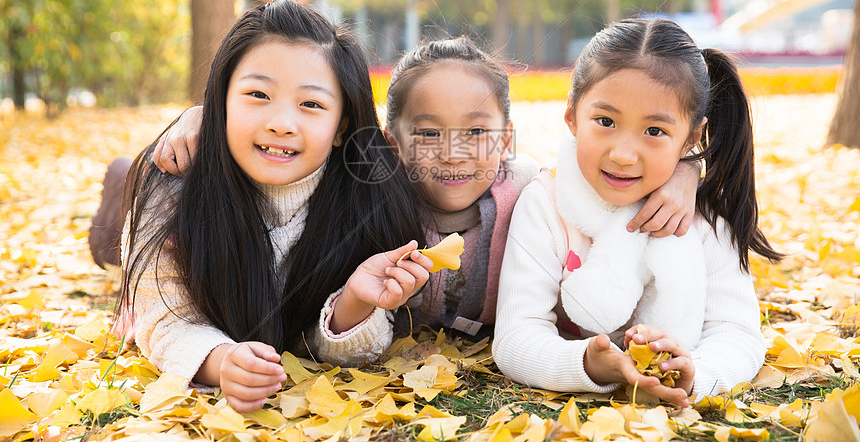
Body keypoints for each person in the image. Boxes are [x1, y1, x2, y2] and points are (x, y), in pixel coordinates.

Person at [148, 36, 701, 342]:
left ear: (507, 139)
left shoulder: (530, 190)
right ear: (391, 142)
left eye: (477, 134)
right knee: (117, 234)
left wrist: (688, 170)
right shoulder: (366, 196)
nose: (455, 153)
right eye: (429, 134)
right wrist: (200, 118)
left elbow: (615, 164)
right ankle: (122, 185)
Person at [118, 0, 432, 413]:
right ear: (221, 100)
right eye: (257, 94)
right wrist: (220, 362)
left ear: (341, 127)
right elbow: (164, 319)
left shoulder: (366, 200)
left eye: (312, 104)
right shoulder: (172, 191)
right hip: (148, 216)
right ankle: (117, 180)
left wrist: (354, 302)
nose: (282, 122)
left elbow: (316, 344)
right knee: (124, 209)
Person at [492, 17, 782, 407]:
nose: (623, 154)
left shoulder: (703, 220)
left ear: (691, 138)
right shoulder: (545, 204)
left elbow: (739, 334)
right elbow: (515, 337)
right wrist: (587, 365)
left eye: (655, 131)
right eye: (605, 121)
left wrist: (697, 370)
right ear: (571, 117)